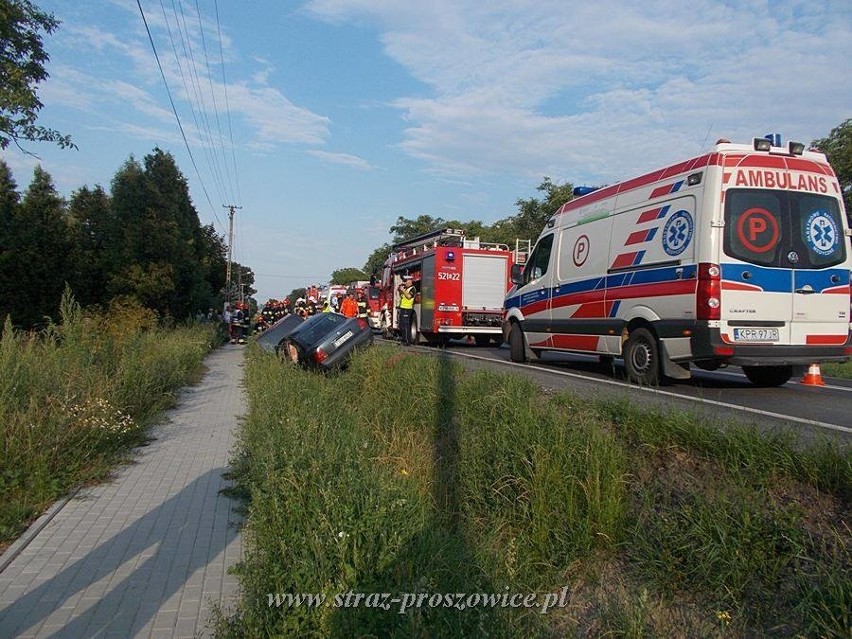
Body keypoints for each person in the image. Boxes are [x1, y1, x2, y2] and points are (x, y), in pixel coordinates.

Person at [398, 275, 416, 345]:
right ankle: (403, 340)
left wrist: (403, 291)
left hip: (407, 309)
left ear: (410, 281)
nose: (404, 283)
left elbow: (409, 297)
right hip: (403, 308)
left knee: (405, 325)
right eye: (404, 281)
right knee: (401, 325)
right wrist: (401, 290)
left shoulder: (412, 289)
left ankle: (407, 341)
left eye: (405, 281)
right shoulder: (406, 288)